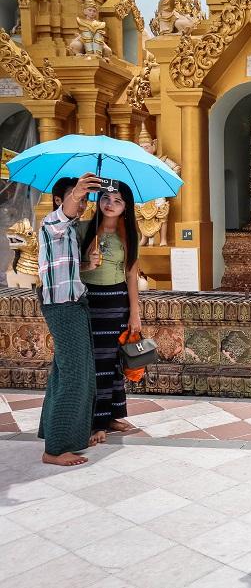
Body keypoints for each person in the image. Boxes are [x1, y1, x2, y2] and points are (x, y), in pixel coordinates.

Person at [36, 173, 101, 466]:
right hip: (61, 307)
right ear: (60, 200)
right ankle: (55, 449)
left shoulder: (70, 230)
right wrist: (77, 193)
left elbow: (62, 271)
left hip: (73, 303)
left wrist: (87, 264)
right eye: (78, 198)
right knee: (74, 374)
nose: (83, 204)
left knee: (71, 372)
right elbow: (65, 214)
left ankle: (70, 436)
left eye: (87, 199)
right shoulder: (53, 223)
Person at [78, 179, 141, 445]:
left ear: (126, 206)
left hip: (118, 301)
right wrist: (86, 264)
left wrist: (134, 313)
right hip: (91, 300)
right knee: (99, 363)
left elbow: (131, 274)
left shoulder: (129, 235)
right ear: (98, 201)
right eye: (105, 198)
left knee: (115, 360)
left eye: (117, 201)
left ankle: (114, 415)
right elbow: (72, 269)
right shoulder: (84, 230)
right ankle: (97, 423)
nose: (110, 204)